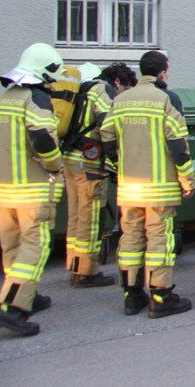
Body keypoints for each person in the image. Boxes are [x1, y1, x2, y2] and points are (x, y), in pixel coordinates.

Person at [100, 51, 195, 318]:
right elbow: (178, 145)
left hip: (129, 187)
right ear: (163, 72)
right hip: (159, 188)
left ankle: (132, 295)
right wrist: (187, 179)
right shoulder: (167, 99)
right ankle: (160, 296)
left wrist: (119, 165)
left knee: (130, 238)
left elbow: (107, 136)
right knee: (159, 241)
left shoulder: (121, 99)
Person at [0, 44, 66, 336]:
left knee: (13, 246)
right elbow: (42, 137)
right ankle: (12, 308)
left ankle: (27, 294)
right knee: (34, 248)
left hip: (4, 189)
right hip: (32, 190)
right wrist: (54, 164)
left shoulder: (6, 97)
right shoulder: (36, 98)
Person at [61, 62, 117, 288]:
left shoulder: (76, 93)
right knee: (90, 218)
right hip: (90, 165)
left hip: (70, 160)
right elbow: (109, 124)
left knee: (75, 215)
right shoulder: (100, 90)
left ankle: (74, 265)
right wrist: (115, 158)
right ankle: (86, 273)